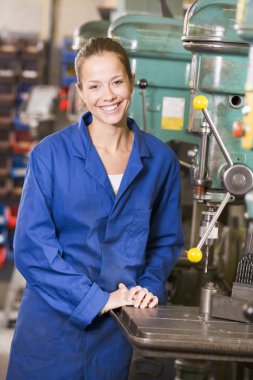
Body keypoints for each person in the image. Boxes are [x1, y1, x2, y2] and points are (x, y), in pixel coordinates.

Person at [6, 37, 184, 380]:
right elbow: (32, 249)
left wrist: (148, 286)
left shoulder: (161, 160)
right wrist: (97, 300)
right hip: (51, 330)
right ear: (81, 92)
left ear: (131, 81)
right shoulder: (49, 156)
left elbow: (165, 242)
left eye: (117, 82)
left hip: (117, 332)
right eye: (95, 85)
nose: (109, 95)